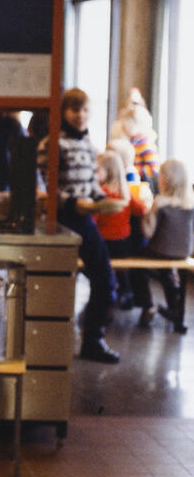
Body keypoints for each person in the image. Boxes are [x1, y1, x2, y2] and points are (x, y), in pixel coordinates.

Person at [39, 88, 124, 363]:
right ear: (63, 112)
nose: (81, 115)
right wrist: (74, 203)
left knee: (107, 281)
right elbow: (46, 189)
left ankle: (93, 340)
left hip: (85, 219)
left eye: (85, 109)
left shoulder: (89, 144)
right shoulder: (51, 144)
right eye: (75, 109)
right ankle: (47, 342)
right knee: (53, 284)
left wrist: (105, 200)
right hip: (61, 220)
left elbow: (91, 186)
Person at [131, 159, 194, 330]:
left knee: (135, 266)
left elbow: (148, 233)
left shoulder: (160, 202)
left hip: (159, 249)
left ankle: (147, 305)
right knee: (167, 270)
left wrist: (144, 214)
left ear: (165, 179)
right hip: (184, 251)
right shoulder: (190, 203)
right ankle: (175, 308)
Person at [94, 151, 148, 311]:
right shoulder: (126, 193)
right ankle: (126, 292)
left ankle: (107, 295)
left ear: (108, 172)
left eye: (98, 170)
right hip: (124, 246)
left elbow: (93, 220)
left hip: (105, 246)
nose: (94, 173)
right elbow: (140, 211)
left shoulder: (101, 194)